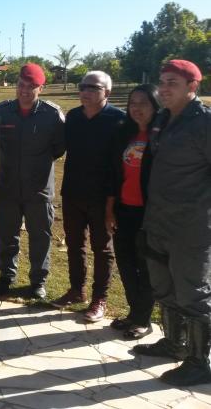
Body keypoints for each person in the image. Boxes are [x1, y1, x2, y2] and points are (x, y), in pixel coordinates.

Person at [133, 59, 211, 386]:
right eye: (162, 82)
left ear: (193, 88)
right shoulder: (163, 118)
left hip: (190, 227)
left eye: (173, 83)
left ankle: (199, 361)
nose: (164, 88)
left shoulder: (204, 123)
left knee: (193, 293)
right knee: (163, 287)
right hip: (158, 221)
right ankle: (173, 343)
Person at [51, 71, 125, 323]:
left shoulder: (118, 120)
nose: (86, 91)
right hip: (72, 192)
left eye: (93, 87)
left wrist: (112, 203)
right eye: (83, 86)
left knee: (103, 249)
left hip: (104, 196)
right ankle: (76, 290)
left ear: (108, 92)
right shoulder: (72, 117)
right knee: (74, 244)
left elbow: (120, 165)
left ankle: (99, 299)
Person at [0, 64, 65, 300]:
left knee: (40, 236)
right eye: (21, 85)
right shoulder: (2, 111)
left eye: (31, 86)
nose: (25, 91)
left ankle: (38, 281)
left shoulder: (52, 114)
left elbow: (58, 148)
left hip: (39, 189)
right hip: (8, 186)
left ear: (41, 88)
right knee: (6, 234)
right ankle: (6, 276)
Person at [104, 84, 159, 340]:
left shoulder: (161, 137)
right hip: (124, 209)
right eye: (133, 103)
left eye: (144, 103)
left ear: (155, 106)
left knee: (145, 266)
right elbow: (114, 176)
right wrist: (110, 210)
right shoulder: (122, 134)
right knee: (125, 264)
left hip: (150, 213)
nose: (137, 108)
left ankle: (143, 318)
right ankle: (133, 313)